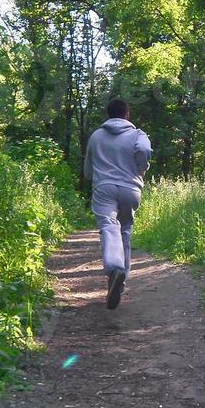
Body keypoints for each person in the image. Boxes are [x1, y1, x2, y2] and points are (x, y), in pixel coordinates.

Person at [82, 98, 153, 309]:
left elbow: (87, 169)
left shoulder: (96, 135)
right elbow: (143, 151)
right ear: (127, 114)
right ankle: (119, 284)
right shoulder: (138, 134)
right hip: (131, 189)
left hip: (104, 187)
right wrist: (141, 169)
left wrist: (93, 176)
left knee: (108, 226)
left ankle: (114, 268)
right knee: (125, 232)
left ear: (108, 114)